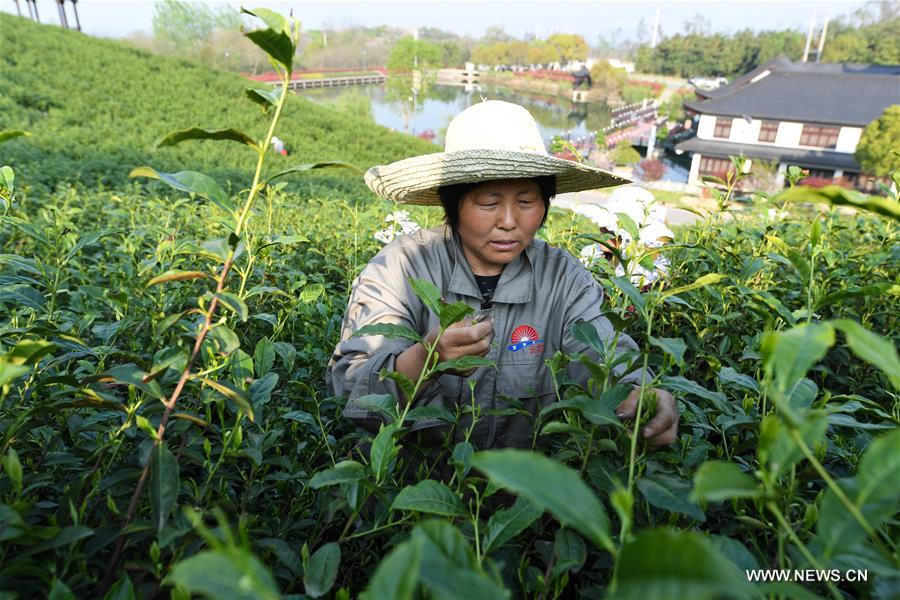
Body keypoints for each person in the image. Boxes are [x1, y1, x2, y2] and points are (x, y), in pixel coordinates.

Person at [326, 100, 678, 450]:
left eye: (526, 202)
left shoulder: (564, 280)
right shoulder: (401, 268)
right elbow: (348, 388)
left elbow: (607, 358)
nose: (509, 221)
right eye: (488, 203)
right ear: (453, 205)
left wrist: (643, 395)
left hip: (526, 495)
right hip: (411, 491)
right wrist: (425, 359)